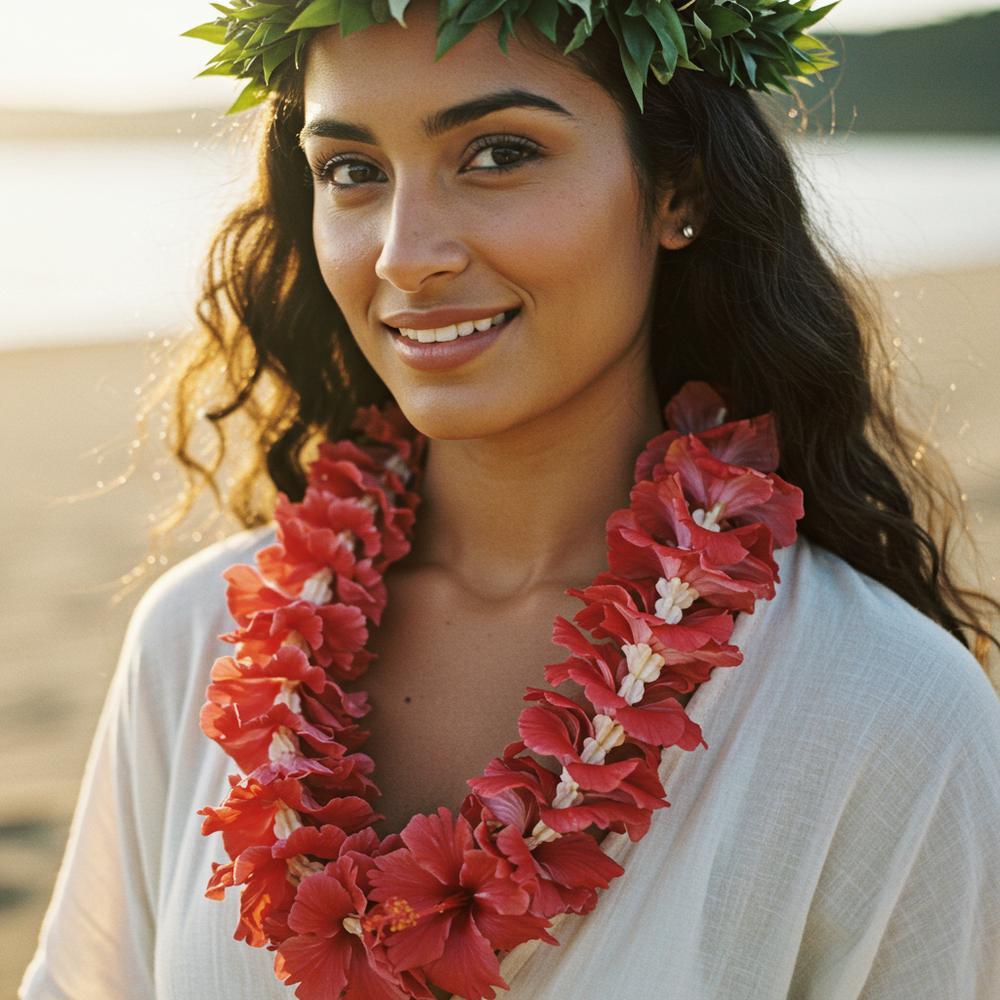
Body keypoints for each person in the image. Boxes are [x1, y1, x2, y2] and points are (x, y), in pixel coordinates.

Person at [20, 2, 1000, 998]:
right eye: (352, 171)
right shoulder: (198, 643)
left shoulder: (884, 710)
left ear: (679, 189)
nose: (404, 254)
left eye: (498, 154)